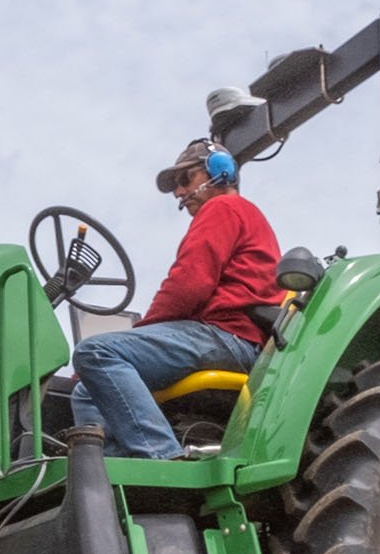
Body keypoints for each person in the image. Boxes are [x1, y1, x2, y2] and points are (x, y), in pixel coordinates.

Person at [67, 138, 280, 458]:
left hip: (229, 335)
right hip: (222, 337)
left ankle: (160, 457)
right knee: (86, 392)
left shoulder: (223, 207)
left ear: (219, 172)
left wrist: (138, 334)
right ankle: (110, 475)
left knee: (96, 352)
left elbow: (189, 285)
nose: (179, 192)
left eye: (185, 179)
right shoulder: (241, 216)